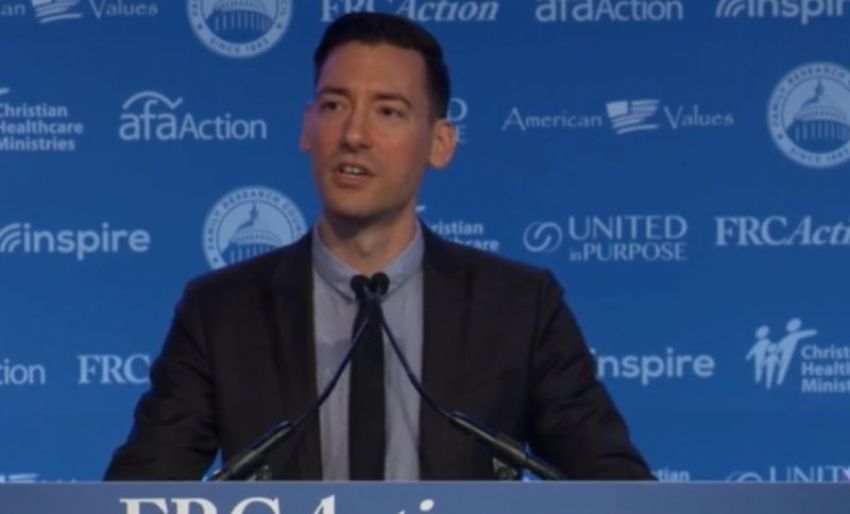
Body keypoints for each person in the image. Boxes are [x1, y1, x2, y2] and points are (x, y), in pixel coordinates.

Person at [105, 12, 652, 481]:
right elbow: (137, 493)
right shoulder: (220, 311)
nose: (355, 135)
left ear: (439, 143)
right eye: (335, 106)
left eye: (388, 111)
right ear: (307, 128)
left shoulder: (519, 307)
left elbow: (615, 488)